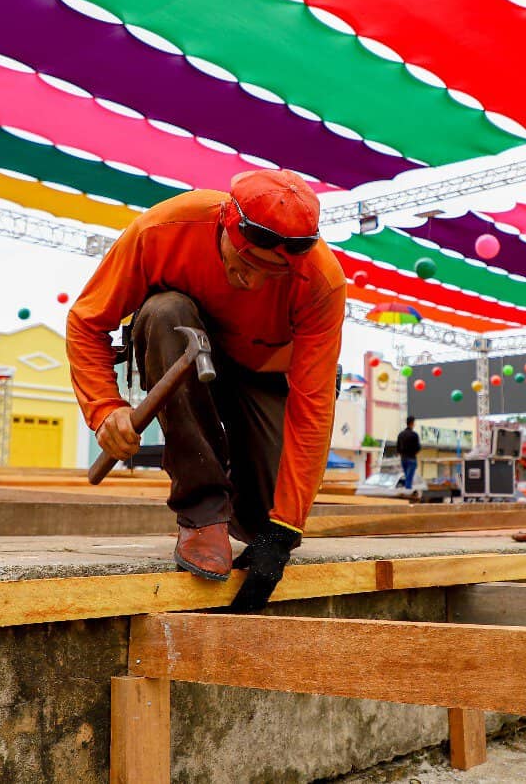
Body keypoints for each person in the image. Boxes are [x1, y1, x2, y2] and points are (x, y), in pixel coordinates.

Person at [67, 169, 345, 613]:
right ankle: (203, 513)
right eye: (246, 264)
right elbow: (87, 322)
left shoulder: (322, 282)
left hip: (263, 369)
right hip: (185, 346)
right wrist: (104, 408)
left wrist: (285, 529)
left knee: (262, 518)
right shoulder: (163, 229)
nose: (253, 282)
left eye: (271, 275)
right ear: (224, 225)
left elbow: (311, 406)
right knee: (163, 312)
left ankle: (247, 511)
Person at [396, 416, 421, 490]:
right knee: (409, 478)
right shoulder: (414, 435)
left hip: (403, 459)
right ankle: (408, 493)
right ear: (412, 423)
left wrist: (402, 454)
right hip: (412, 458)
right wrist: (413, 453)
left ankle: (407, 491)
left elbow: (398, 448)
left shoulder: (401, 435)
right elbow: (418, 448)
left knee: (407, 477)